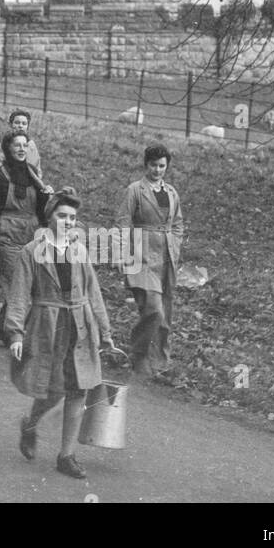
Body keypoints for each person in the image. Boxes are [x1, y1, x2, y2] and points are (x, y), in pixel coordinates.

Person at [6, 187, 115, 481]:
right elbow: (18, 295)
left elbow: (93, 292)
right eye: (62, 215)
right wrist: (15, 333)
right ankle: (30, 424)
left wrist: (105, 331)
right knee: (53, 389)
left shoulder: (79, 250)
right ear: (49, 216)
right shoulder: (32, 252)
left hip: (80, 325)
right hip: (48, 325)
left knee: (78, 388)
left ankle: (66, 455)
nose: (68, 222)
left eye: (72, 217)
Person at [116, 143, 186, 377]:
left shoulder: (172, 192)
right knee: (153, 309)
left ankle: (158, 360)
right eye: (153, 165)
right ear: (145, 165)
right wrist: (122, 253)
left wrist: (174, 245)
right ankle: (138, 353)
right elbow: (123, 222)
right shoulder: (135, 190)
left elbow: (177, 224)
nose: (157, 170)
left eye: (162, 166)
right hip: (142, 255)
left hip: (166, 257)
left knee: (164, 313)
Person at [0, 131, 54, 345]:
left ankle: (3, 328)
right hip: (7, 234)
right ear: (7, 148)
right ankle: (14, 334)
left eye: (26, 145)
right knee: (16, 285)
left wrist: (47, 196)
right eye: (17, 145)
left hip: (31, 234)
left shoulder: (32, 173)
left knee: (28, 284)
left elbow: (42, 211)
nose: (22, 149)